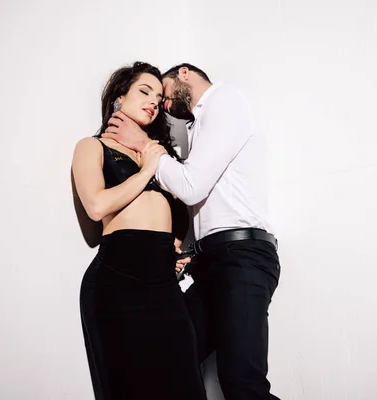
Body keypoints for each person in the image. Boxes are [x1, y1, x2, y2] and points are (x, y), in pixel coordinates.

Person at [102, 63, 281, 399]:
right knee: (171, 365)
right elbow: (209, 200)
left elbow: (192, 187)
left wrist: (145, 146)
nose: (162, 105)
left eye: (164, 94)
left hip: (242, 258)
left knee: (242, 384)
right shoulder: (202, 126)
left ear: (183, 73)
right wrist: (183, 247)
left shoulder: (224, 100)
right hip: (212, 263)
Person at [72, 61, 206, 400]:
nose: (153, 100)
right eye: (144, 91)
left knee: (186, 384)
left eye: (158, 96)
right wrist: (147, 170)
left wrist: (175, 245)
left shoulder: (157, 154)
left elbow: (181, 205)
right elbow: (97, 206)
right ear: (119, 98)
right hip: (118, 282)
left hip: (162, 284)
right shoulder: (92, 147)